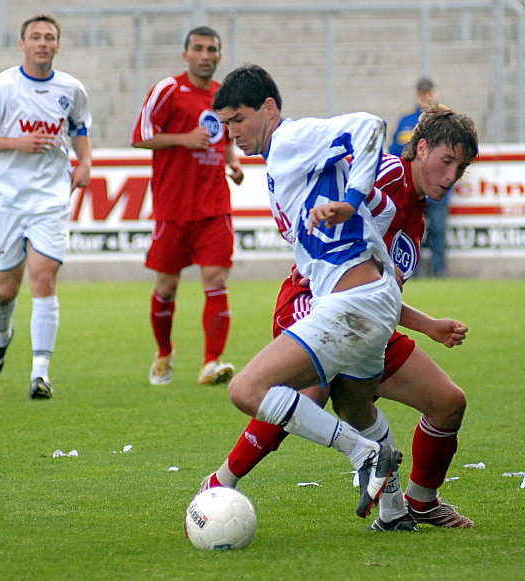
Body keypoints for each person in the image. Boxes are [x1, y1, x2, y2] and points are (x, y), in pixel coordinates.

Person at [201, 105, 479, 531]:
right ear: (420, 148)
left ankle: (415, 504)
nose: (451, 175)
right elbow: (332, 192)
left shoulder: (417, 220)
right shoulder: (384, 173)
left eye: (460, 169)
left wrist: (429, 326)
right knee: (306, 395)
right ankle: (221, 483)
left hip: (368, 314)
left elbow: (379, 290)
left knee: (447, 404)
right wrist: (337, 204)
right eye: (446, 161)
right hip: (314, 298)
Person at [211, 63, 405, 519]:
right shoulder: (294, 159)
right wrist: (355, 223)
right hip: (370, 299)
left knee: (248, 389)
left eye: (239, 119)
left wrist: (350, 204)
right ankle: (394, 511)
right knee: (357, 407)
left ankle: (363, 456)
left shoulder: (290, 141)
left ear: (270, 108)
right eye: (225, 125)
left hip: (354, 303)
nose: (233, 133)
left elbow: (369, 126)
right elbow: (387, 205)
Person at [0, 14, 92, 399]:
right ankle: (1, 337)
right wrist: (18, 143)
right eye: (35, 37)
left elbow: (79, 126)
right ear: (22, 44)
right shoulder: (1, 87)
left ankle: (40, 373)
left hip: (51, 198)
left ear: (57, 45)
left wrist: (85, 161)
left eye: (49, 37)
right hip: (8, 200)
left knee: (43, 277)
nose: (42, 43)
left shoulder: (70, 88)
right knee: (6, 289)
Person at [131, 26, 244, 387]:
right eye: (199, 48)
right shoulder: (169, 89)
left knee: (216, 280)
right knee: (166, 286)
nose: (206, 55)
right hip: (173, 208)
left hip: (214, 206)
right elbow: (140, 137)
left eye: (212, 49)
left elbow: (224, 137)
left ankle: (212, 362)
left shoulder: (222, 95)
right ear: (186, 54)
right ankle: (164, 352)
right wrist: (184, 139)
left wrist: (232, 161)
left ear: (219, 55)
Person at [390, 78, 450, 276]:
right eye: (421, 93)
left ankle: (439, 272)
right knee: (409, 232)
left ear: (435, 94)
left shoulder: (446, 119)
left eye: (428, 93)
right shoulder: (406, 120)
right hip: (411, 189)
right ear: (416, 94)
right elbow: (394, 152)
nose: (425, 97)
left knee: (438, 231)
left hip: (437, 189)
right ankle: (409, 273)